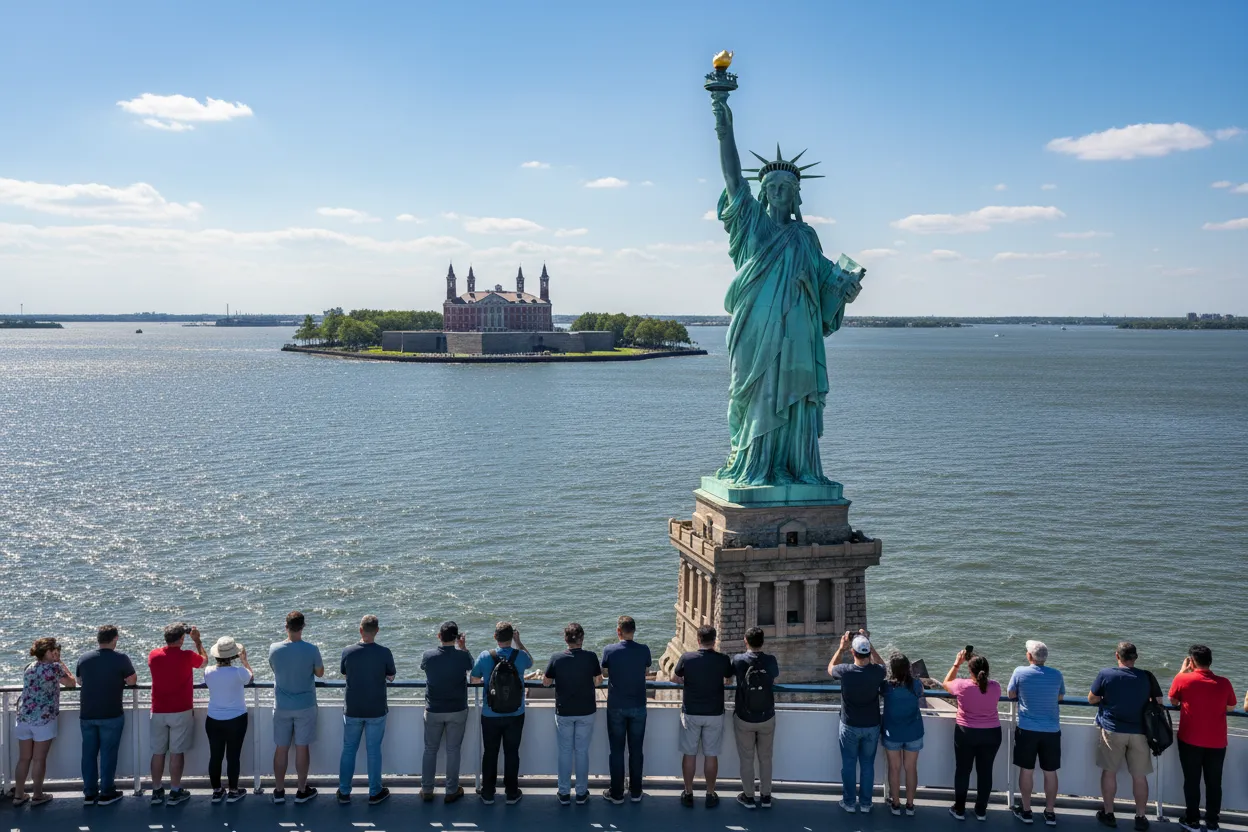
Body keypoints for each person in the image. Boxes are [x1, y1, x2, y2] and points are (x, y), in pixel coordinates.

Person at [1088, 642, 1163, 831]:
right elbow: (1159, 702)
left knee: (1109, 772)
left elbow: (1092, 698)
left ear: (1117, 656)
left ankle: (1109, 814)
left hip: (1113, 730)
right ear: (1136, 657)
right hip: (1140, 732)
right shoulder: (1147, 676)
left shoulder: (1106, 674)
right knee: (1139, 777)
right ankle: (1141, 817)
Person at [1168, 645, 1237, 832]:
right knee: (1214, 782)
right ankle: (1212, 822)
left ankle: (1192, 820)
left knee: (1192, 781)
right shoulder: (1224, 682)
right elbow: (1231, 707)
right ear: (1210, 661)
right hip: (1217, 742)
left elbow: (1173, 700)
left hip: (1190, 740)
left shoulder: (1183, 678)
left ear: (1191, 662)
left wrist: (1181, 672)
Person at [470, 621, 533, 805]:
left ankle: (488, 793)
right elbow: (531, 662)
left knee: (490, 752)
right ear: (512, 637)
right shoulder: (520, 655)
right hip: (515, 713)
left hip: (490, 713)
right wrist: (519, 642)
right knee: (511, 752)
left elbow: (474, 679)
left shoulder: (485, 656)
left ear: (495, 637)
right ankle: (511, 793)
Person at [673, 624, 734, 809]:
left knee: (689, 754)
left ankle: (688, 793)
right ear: (714, 641)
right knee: (711, 754)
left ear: (698, 640)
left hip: (691, 712)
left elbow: (675, 678)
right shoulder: (723, 659)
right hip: (714, 713)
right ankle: (710, 793)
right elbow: (729, 679)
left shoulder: (687, 658)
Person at [338, 615, 397, 805]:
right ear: (377, 631)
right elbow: (391, 676)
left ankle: (344, 792)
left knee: (349, 750)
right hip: (376, 708)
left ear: (360, 630)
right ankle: (374, 791)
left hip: (353, 708)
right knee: (373, 751)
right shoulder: (384, 652)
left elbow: (344, 672)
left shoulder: (348, 651)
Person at [76, 624, 137, 806]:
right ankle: (106, 791)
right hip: (111, 713)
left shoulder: (84, 658)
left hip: (87, 714)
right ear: (115, 638)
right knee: (108, 754)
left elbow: (79, 681)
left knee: (88, 754)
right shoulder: (121, 658)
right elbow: (132, 681)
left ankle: (89, 793)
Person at [543, 622, 603, 805]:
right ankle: (581, 793)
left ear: (565, 639)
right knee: (582, 752)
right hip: (586, 710)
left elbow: (546, 682)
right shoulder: (591, 657)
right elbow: (598, 681)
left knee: (565, 752)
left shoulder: (556, 658)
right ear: (582, 639)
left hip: (564, 711)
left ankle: (563, 792)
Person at [269, 610, 324, 804]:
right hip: (305, 706)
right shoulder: (312, 649)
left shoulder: (274, 649)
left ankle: (279, 791)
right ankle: (301, 790)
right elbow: (320, 673)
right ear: (303, 627)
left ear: (286, 626)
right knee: (302, 748)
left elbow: (274, 668)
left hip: (282, 706)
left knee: (281, 748)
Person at [12, 637, 76, 806]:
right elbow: (71, 683)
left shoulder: (30, 667)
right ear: (48, 652)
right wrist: (60, 661)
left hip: (24, 717)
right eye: (54, 651)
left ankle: (19, 795)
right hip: (43, 719)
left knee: (24, 758)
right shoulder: (54, 668)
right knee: (39, 759)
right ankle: (37, 795)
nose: (57, 653)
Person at [828, 629, 886, 813]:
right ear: (868, 653)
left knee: (849, 764)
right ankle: (866, 804)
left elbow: (830, 668)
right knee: (867, 765)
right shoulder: (877, 672)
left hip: (850, 725)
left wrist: (841, 648)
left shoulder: (845, 671)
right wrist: (869, 643)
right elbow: (883, 666)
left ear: (852, 652)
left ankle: (849, 803)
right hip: (872, 725)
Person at [148, 622, 206, 805]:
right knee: (176, 752)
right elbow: (204, 661)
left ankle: (156, 790)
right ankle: (174, 790)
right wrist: (197, 641)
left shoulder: (154, 655)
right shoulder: (187, 656)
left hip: (158, 710)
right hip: (181, 710)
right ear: (182, 639)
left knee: (158, 753)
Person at [1008, 640, 1065, 826]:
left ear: (1029, 656)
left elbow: (1011, 694)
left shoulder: (1020, 672)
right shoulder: (1056, 674)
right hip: (1051, 730)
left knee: (1027, 770)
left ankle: (1026, 811)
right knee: (1050, 772)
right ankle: (1050, 812)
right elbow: (1060, 697)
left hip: (1027, 730)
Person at [943, 649, 1003, 821]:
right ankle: (981, 811)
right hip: (992, 734)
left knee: (963, 771)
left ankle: (959, 809)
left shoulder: (962, 685)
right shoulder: (996, 687)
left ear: (970, 670)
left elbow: (946, 683)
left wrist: (957, 664)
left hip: (966, 733)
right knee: (985, 772)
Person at [420, 620, 474, 803]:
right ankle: (451, 790)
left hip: (433, 709)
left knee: (430, 750)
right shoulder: (462, 657)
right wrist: (463, 647)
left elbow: (424, 668)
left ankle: (427, 789)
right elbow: (472, 666)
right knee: (453, 750)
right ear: (457, 638)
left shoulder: (428, 656)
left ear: (439, 636)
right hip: (457, 709)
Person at [600, 615, 651, 804]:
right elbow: (646, 670)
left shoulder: (609, 650)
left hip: (616, 706)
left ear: (618, 631)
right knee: (636, 750)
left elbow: (604, 672)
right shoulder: (644, 650)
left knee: (616, 750)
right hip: (638, 705)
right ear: (634, 630)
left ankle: (617, 793)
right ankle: (636, 792)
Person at [731, 626, 780, 809]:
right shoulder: (770, 660)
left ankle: (749, 797)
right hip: (767, 716)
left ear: (746, 641)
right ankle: (766, 796)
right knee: (765, 758)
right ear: (763, 642)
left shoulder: (738, 660)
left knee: (746, 758)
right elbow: (775, 677)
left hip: (744, 717)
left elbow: (729, 677)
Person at [203, 636, 253, 803]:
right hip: (236, 719)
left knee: (215, 756)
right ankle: (233, 791)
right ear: (233, 655)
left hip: (213, 719)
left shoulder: (208, 671)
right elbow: (250, 678)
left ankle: (217, 791)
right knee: (233, 756)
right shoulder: (239, 672)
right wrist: (244, 661)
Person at [882, 652, 925, 816]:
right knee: (911, 768)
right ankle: (910, 805)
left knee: (894, 768)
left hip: (892, 732)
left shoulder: (887, 687)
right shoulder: (916, 685)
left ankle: (895, 803)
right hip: (913, 732)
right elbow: (920, 693)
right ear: (908, 667)